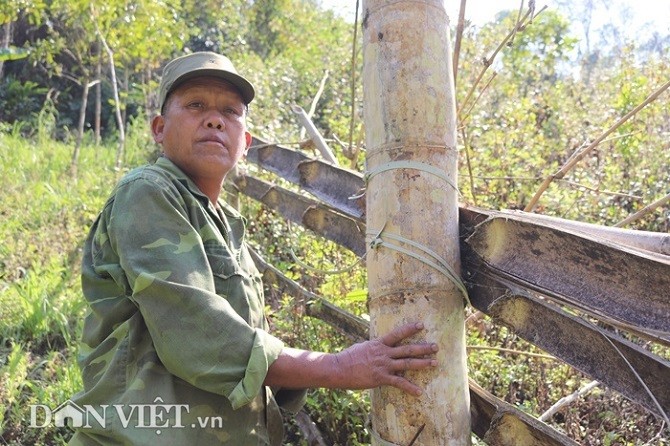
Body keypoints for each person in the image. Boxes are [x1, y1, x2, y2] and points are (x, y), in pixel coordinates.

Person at [69, 51, 438, 445]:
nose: (214, 119)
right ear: (159, 129)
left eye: (230, 111)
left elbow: (244, 345)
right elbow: (198, 332)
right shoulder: (148, 192)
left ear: (244, 143)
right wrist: (337, 367)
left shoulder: (225, 221)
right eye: (196, 105)